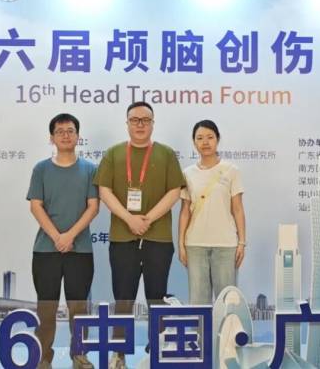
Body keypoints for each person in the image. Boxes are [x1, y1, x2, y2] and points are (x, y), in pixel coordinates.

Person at [94, 101, 185, 369]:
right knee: (123, 298)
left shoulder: (166, 154)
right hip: (123, 238)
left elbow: (174, 191)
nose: (140, 124)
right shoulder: (113, 153)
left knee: (157, 297)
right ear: (127, 124)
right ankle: (119, 353)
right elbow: (104, 191)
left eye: (146, 120)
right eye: (135, 120)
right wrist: (129, 219)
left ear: (153, 124)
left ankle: (156, 350)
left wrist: (148, 219)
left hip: (158, 238)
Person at [27, 113, 99, 369]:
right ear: (52, 138)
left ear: (78, 136)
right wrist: (58, 237)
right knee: (46, 308)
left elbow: (93, 207)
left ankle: (79, 356)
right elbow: (36, 206)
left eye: (70, 131)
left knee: (79, 309)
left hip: (80, 251)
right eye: (60, 131)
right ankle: (43, 357)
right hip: (46, 250)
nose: (66, 135)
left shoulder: (90, 169)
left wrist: (70, 236)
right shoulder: (41, 169)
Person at [178, 120, 247, 305]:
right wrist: (181, 244)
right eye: (200, 138)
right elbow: (185, 211)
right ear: (194, 142)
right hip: (195, 245)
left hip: (225, 245)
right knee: (198, 303)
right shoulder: (187, 173)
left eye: (210, 137)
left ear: (218, 139)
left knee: (227, 303)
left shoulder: (231, 171)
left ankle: (227, 328)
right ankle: (201, 328)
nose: (205, 142)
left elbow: (238, 209)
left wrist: (241, 242)